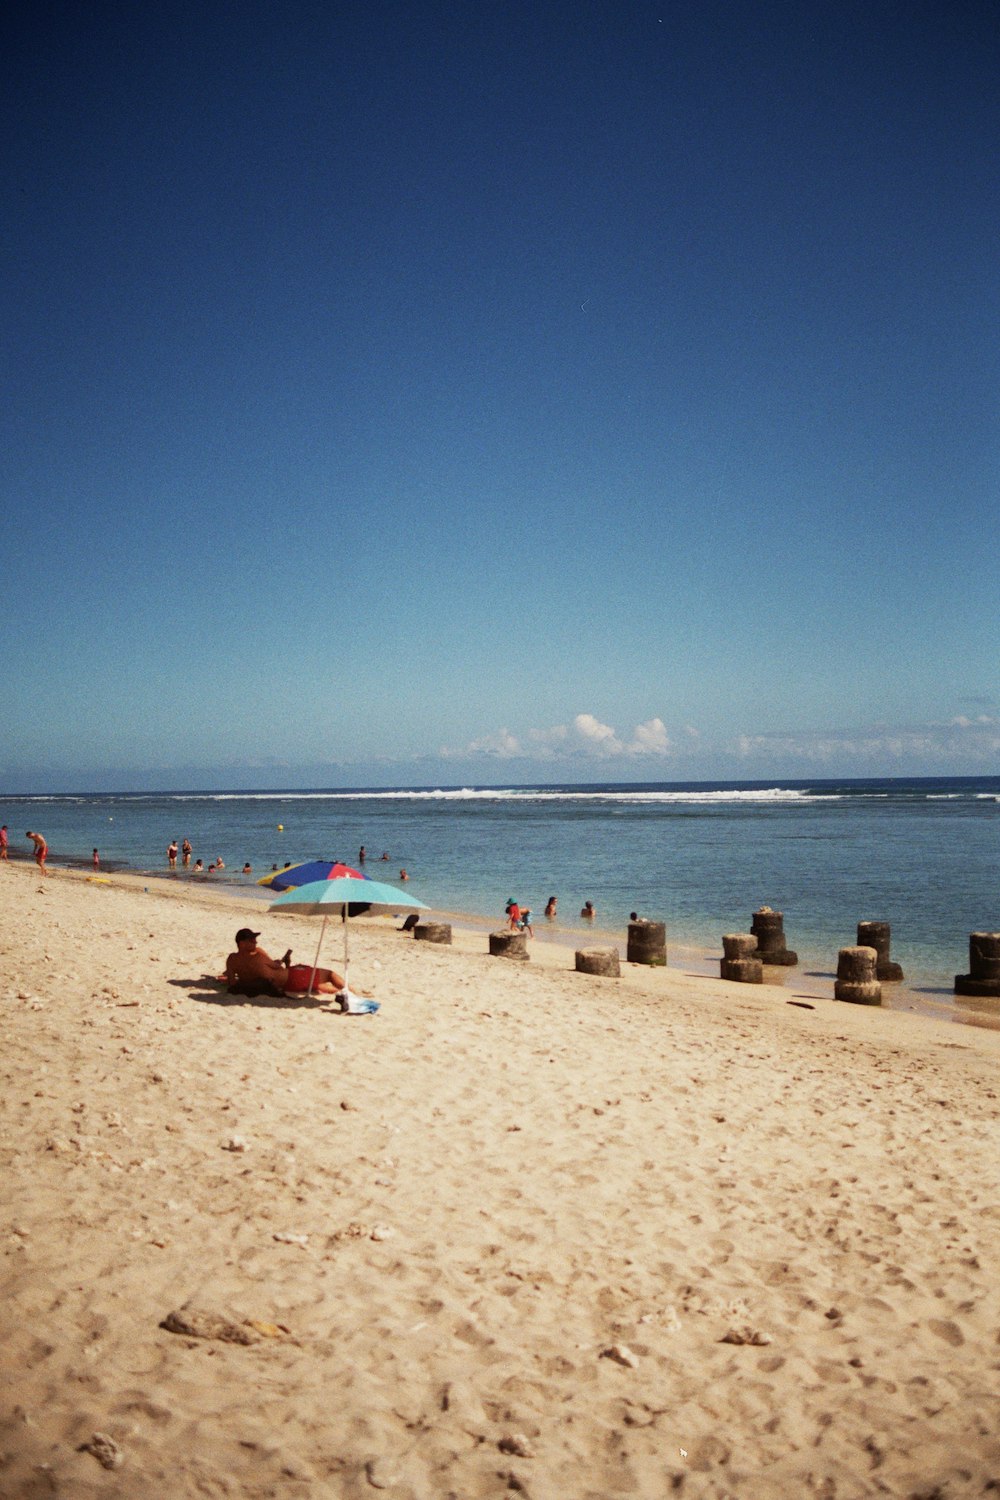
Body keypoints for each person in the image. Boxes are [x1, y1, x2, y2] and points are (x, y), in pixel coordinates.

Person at [219, 929, 345, 998]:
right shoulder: (257, 955)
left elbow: (232, 982)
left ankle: (344, 990)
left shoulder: (231, 959)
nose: (255, 943)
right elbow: (276, 966)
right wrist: (284, 963)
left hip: (286, 987)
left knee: (316, 986)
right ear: (242, 944)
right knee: (330, 974)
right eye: (252, 940)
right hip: (292, 977)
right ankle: (352, 993)